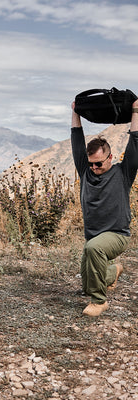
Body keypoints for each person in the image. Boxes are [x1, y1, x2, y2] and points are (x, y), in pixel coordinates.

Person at [71, 99, 138, 317]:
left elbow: (135, 141)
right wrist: (76, 112)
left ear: (110, 158)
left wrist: (135, 109)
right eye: (91, 163)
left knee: (94, 249)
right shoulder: (86, 172)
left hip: (116, 235)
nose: (94, 168)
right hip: (94, 238)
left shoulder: (123, 172)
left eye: (98, 163)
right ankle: (112, 271)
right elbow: (77, 141)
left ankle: (100, 302)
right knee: (86, 285)